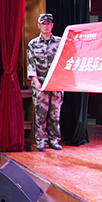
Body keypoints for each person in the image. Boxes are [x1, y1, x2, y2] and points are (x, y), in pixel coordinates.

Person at [26, 13, 64, 151]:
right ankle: (41, 140)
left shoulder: (60, 42)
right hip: (40, 82)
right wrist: (36, 82)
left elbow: (63, 62)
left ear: (52, 25)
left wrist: (60, 81)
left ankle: (54, 139)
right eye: (43, 24)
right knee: (40, 114)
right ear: (39, 26)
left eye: (48, 23)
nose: (46, 26)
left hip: (56, 83)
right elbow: (31, 65)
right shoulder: (33, 44)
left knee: (55, 114)